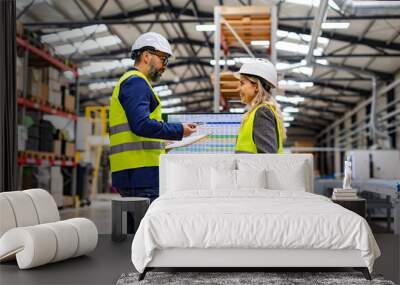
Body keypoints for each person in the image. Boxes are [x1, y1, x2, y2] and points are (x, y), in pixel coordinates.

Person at [109, 32, 197, 208]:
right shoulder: (136, 82)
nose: (165, 66)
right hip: (139, 175)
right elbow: (140, 125)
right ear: (146, 55)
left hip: (136, 172)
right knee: (147, 232)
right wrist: (178, 130)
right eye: (163, 58)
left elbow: (138, 129)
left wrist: (165, 141)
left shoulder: (135, 82)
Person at [235, 58, 286, 154]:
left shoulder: (262, 112)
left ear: (256, 87)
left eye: (242, 83)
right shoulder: (255, 113)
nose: (238, 89)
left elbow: (267, 160)